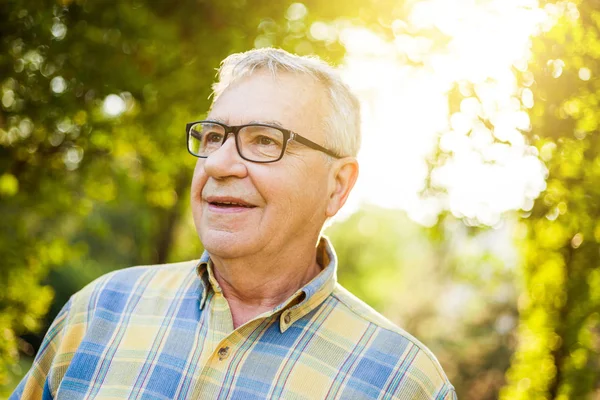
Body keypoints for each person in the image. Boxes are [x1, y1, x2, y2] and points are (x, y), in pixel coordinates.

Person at [11, 48, 456, 400]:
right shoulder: (98, 311)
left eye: (264, 140)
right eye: (213, 137)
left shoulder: (402, 383)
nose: (220, 163)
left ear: (337, 186)